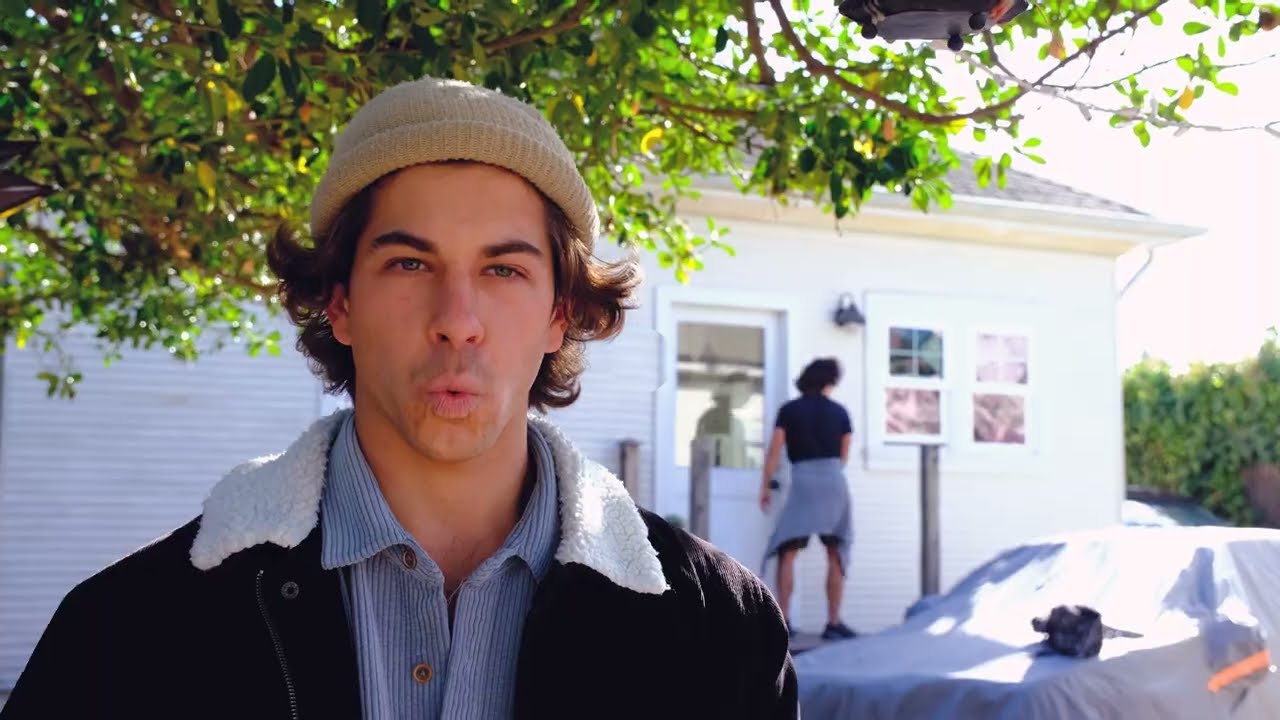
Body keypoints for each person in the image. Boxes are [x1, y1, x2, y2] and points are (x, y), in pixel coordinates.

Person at [1, 77, 796, 719]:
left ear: (560, 314)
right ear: (339, 304)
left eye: (504, 270)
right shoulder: (131, 632)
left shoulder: (720, 632)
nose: (458, 320)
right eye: (409, 264)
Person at [759, 357, 858, 641]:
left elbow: (775, 451)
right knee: (835, 551)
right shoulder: (840, 412)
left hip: (803, 481)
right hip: (833, 481)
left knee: (788, 550)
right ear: (829, 381)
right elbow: (844, 456)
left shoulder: (789, 410)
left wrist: (764, 487)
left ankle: (784, 620)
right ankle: (834, 622)